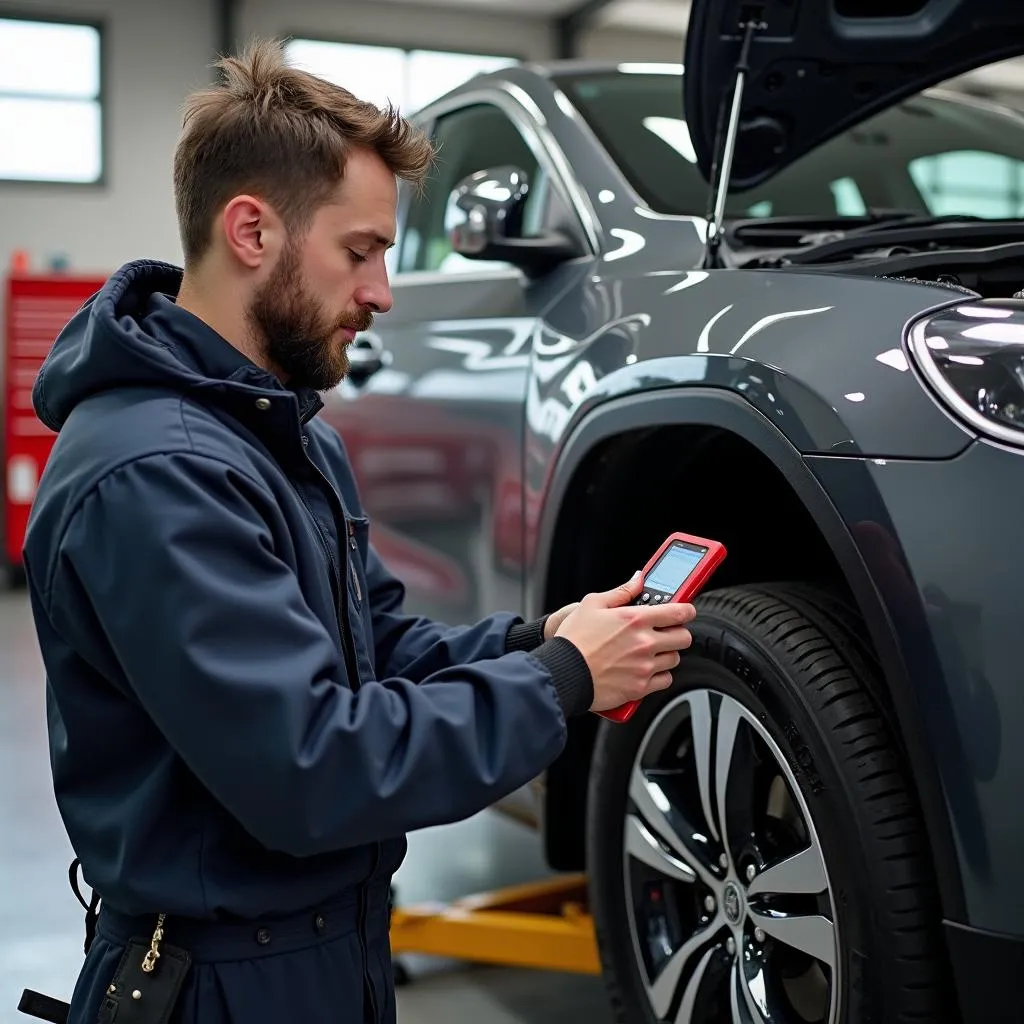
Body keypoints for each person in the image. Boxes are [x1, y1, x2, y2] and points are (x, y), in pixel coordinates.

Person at [19, 38, 696, 1024]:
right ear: (250, 229)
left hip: (324, 945)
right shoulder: (160, 471)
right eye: (361, 250)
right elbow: (316, 769)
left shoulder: (274, 434)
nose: (381, 292)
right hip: (221, 983)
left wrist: (534, 640)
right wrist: (563, 684)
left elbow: (377, 651)